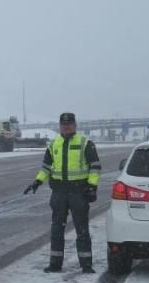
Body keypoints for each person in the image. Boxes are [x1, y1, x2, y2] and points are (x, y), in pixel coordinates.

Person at [24, 112, 101, 273]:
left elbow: (95, 166)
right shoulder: (53, 144)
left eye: (69, 124)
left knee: (82, 229)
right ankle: (55, 264)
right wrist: (37, 181)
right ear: (60, 126)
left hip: (79, 193)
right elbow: (46, 167)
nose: (66, 127)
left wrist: (92, 186)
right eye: (63, 125)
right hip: (59, 193)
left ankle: (86, 265)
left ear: (75, 125)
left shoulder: (85, 143)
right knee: (57, 229)